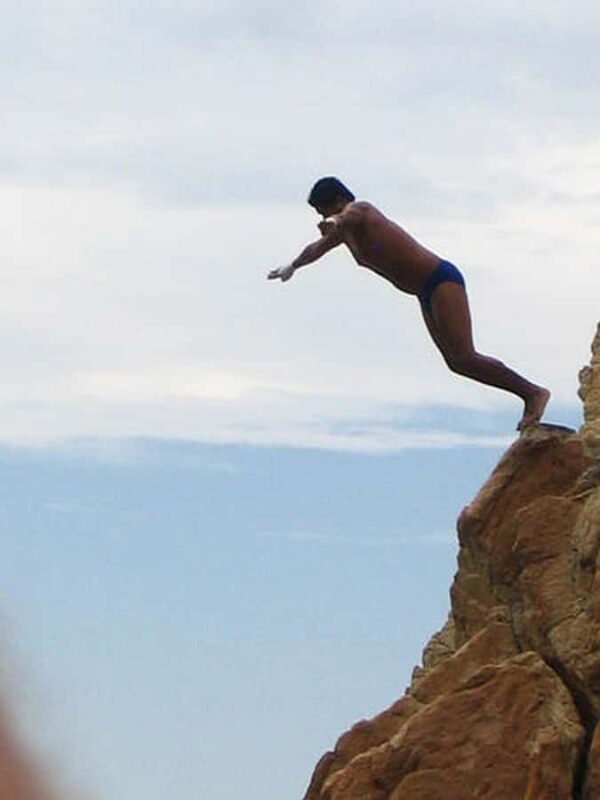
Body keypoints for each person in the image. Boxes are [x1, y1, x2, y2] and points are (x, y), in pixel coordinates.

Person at [267, 176, 549, 430]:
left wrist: (335, 222)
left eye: (323, 210)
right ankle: (528, 393)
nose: (322, 217)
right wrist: (292, 265)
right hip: (423, 292)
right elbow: (315, 249)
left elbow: (348, 217)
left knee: (466, 354)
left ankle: (533, 393)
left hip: (441, 280)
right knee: (457, 362)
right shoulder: (344, 234)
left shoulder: (361, 211)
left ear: (339, 200)